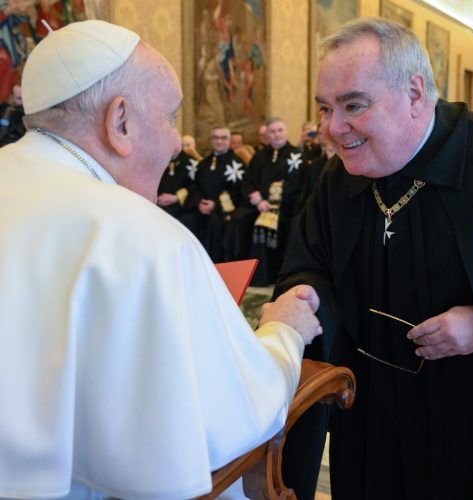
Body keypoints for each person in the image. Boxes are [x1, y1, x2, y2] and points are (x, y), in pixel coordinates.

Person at [0, 20, 323, 499]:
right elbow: (235, 414)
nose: (176, 141)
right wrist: (284, 330)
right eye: (171, 118)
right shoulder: (141, 234)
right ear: (120, 122)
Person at [274, 16, 473, 500]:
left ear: (415, 93)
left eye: (353, 105)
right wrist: (302, 295)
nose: (332, 128)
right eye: (325, 108)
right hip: (369, 408)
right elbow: (309, 259)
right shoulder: (339, 176)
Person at [225, 117, 304, 286]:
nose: (277, 135)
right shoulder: (260, 155)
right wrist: (256, 197)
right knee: (238, 220)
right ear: (267, 135)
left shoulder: (297, 155)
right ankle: (237, 272)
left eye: (280, 130)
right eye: (272, 131)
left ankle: (263, 277)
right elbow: (247, 180)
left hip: (283, 207)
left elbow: (295, 185)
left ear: (286, 131)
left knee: (264, 224)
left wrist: (270, 202)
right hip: (257, 204)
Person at [182, 126, 245, 262]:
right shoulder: (204, 163)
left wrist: (215, 205)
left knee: (215, 222)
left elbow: (237, 191)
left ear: (229, 140)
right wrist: (199, 202)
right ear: (211, 140)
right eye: (216, 138)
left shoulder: (237, 164)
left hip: (223, 211)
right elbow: (195, 187)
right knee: (186, 220)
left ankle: (214, 265)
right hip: (201, 208)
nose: (219, 141)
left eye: (223, 138)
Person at [156, 147, 199, 221]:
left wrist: (176, 198)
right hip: (156, 202)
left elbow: (195, 186)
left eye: (188, 145)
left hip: (179, 207)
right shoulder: (159, 158)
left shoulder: (192, 163)